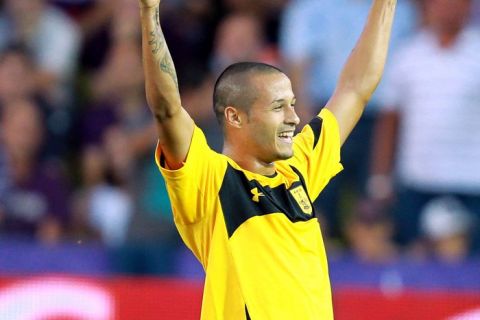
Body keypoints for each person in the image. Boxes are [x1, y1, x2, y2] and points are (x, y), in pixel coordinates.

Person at [138, 0, 397, 318]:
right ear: (235, 117)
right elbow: (167, 109)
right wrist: (150, 14)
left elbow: (356, 88)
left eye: (292, 104)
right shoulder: (211, 179)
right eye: (278, 107)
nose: (293, 118)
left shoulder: (299, 167)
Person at [369, 0, 480, 248]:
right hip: (418, 181)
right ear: (427, 7)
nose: (449, 8)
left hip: (473, 182)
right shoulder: (407, 54)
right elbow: (390, 120)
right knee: (415, 266)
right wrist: (381, 180)